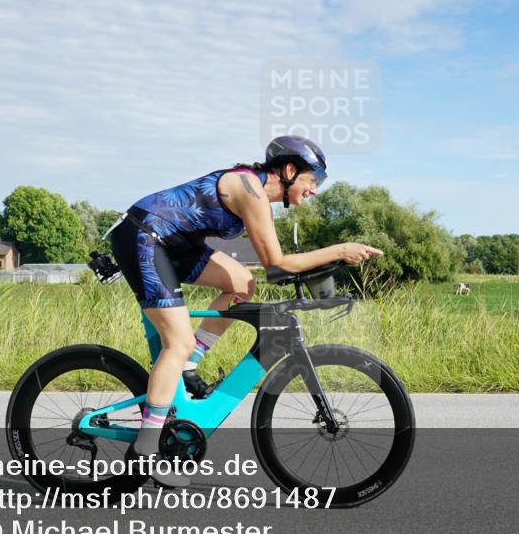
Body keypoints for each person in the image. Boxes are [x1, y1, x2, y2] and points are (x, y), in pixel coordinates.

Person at [109, 136, 383, 486]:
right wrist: (340, 250)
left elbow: (273, 270)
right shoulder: (250, 190)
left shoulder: (258, 197)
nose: (315, 190)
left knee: (242, 283)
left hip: (176, 243)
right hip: (145, 237)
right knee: (176, 342)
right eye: (312, 179)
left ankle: (189, 365)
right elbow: (277, 263)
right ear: (289, 170)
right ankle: (145, 450)